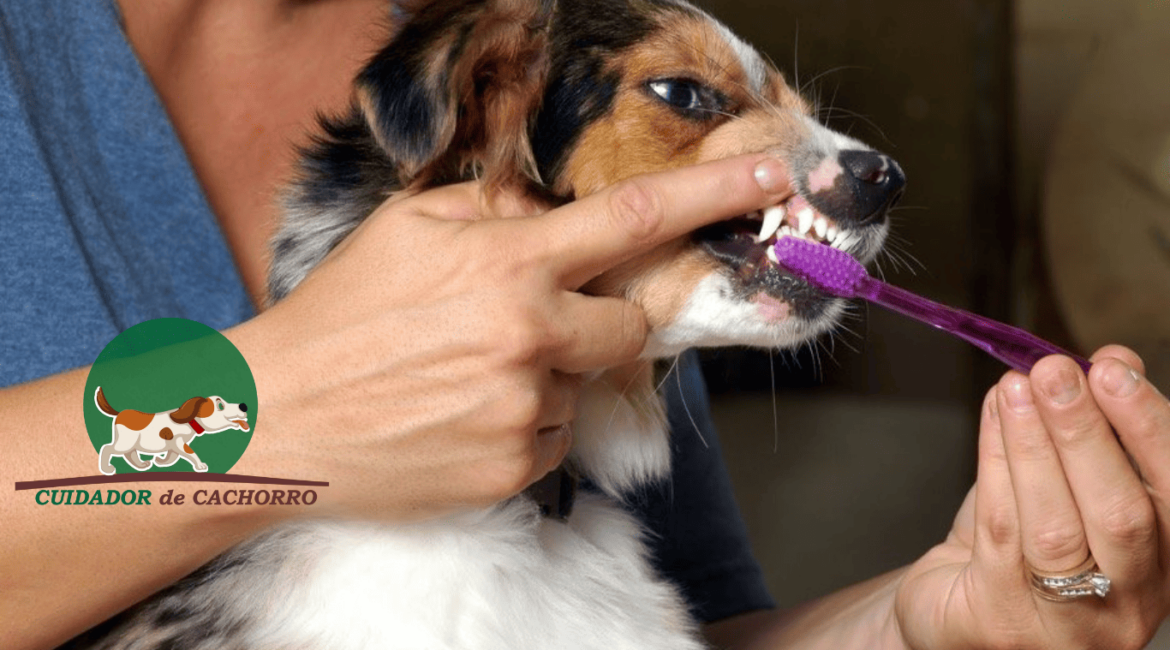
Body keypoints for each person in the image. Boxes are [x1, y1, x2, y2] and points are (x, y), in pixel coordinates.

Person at [1, 2, 1167, 650]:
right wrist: (279, 421)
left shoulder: (566, 80)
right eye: (696, 101)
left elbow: (700, 620)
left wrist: (931, 620)